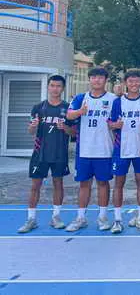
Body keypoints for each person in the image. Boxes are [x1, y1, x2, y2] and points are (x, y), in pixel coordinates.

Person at [18, 75, 76, 233]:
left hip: (59, 153)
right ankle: (31, 219)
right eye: (52, 85)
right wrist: (33, 126)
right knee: (35, 185)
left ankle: (56, 217)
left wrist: (65, 128)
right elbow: (31, 131)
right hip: (40, 153)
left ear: (63, 88)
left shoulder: (68, 108)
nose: (55, 89)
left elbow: (74, 133)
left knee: (58, 183)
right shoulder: (38, 107)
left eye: (58, 86)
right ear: (48, 87)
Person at [65, 67, 118, 232]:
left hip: (104, 149)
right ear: (89, 79)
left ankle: (102, 217)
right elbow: (69, 115)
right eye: (94, 77)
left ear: (105, 80)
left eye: (100, 77)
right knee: (84, 184)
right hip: (85, 150)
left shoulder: (113, 99)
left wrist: (115, 125)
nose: (97, 80)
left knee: (103, 183)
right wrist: (80, 111)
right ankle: (81, 218)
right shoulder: (81, 98)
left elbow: (117, 122)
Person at [108, 69, 140, 233]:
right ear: (125, 83)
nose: (134, 84)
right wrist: (115, 125)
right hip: (122, 148)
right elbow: (110, 123)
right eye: (130, 81)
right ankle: (117, 220)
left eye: (137, 81)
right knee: (118, 183)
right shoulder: (118, 102)